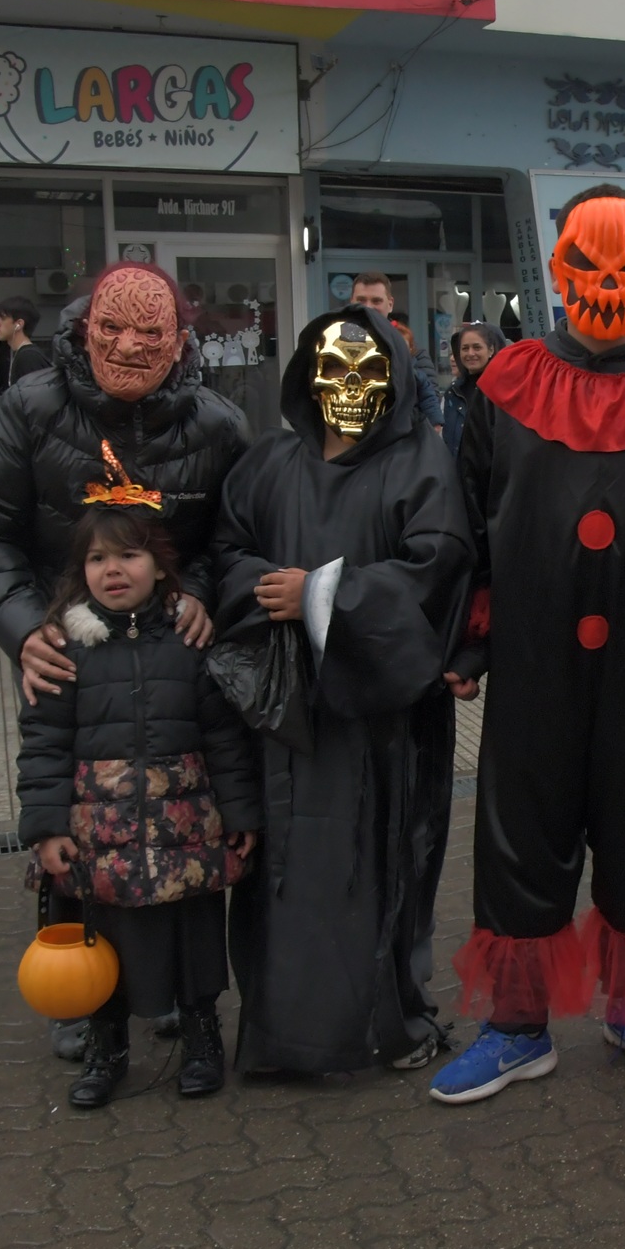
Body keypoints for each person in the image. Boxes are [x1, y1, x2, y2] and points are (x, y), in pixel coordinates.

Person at [429, 185, 625, 1104]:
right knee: (521, 835)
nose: (608, 285)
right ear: (560, 274)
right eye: (590, 267)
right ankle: (519, 1026)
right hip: (533, 662)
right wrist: (468, 640)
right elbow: (469, 522)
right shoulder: (508, 380)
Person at [0, 261, 250, 1057]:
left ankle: (174, 993)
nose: (127, 345)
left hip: (174, 651)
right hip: (66, 651)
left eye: (149, 334)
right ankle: (87, 994)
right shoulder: (29, 409)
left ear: (180, 339)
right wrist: (24, 629)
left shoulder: (218, 424)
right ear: (85, 329)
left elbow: (237, 537)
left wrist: (205, 597)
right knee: (75, 828)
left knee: (173, 815)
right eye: (111, 329)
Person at [211, 304, 474, 1074]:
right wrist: (266, 590)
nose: (351, 387)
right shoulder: (267, 464)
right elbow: (225, 551)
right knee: (289, 873)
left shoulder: (422, 465)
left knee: (381, 863)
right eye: (335, 369)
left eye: (370, 372)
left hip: (383, 725)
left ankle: (384, 1021)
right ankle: (284, 1029)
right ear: (308, 376)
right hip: (289, 720)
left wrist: (326, 595)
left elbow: (439, 567)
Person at [17, 506, 260, 1108]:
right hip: (99, 833)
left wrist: (241, 813)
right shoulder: (63, 649)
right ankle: (107, 1049)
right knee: (107, 945)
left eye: (128, 555)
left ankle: (203, 1041)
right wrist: (46, 828)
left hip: (186, 828)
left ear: (159, 565)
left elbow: (225, 739)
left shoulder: (191, 641)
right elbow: (42, 745)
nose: (113, 570)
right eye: (97, 559)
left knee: (194, 937)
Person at [350, 276, 446, 432]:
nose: (368, 307)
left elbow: (428, 401)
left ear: (390, 304)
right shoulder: (333, 347)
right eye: (361, 300)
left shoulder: (415, 356)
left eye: (376, 301)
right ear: (351, 303)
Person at [443, 322, 505, 458]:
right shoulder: (453, 393)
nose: (470, 353)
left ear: (491, 350)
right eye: (465, 348)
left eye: (477, 347)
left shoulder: (504, 391)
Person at [0, 297, 52, 388]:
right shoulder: (22, 354)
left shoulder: (28, 357)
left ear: (19, 324)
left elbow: (35, 398)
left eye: (3, 318)